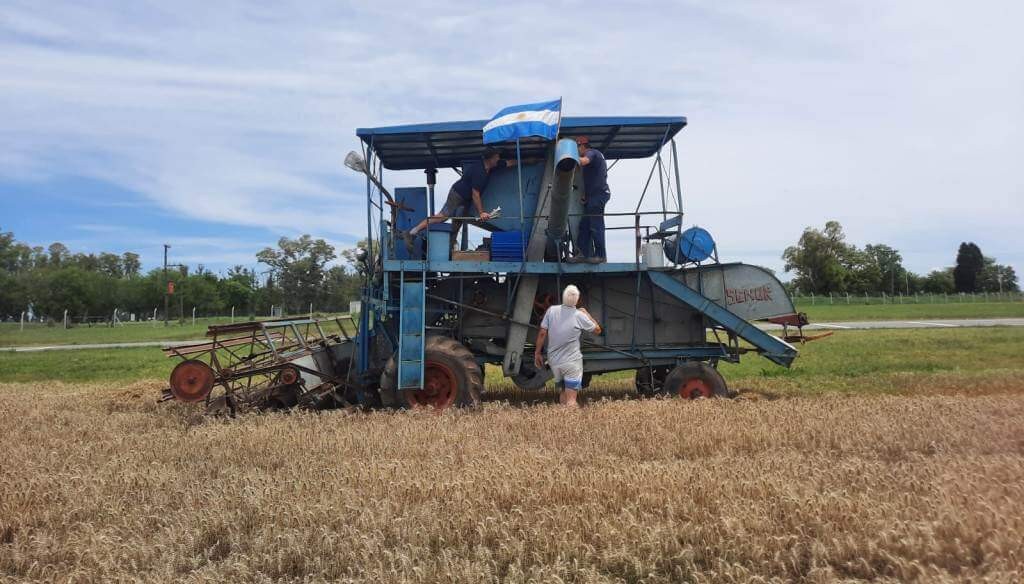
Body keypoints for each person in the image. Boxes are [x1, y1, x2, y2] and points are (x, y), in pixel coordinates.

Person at [404, 147, 524, 252]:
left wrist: (527, 161)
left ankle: (449, 250)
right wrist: (481, 212)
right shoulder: (479, 171)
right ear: (490, 159)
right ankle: (412, 232)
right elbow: (475, 194)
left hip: (466, 199)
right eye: (497, 156)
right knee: (442, 216)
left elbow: (509, 163)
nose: (499, 158)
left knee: (457, 224)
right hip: (457, 194)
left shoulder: (493, 166)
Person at [533, 284, 603, 407]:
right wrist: (588, 315)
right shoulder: (578, 314)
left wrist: (537, 353)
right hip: (571, 362)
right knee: (571, 400)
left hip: (555, 362)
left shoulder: (551, 311)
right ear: (577, 300)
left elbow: (542, 333)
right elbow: (597, 330)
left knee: (564, 394)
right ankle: (572, 424)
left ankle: (563, 422)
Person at [573, 136, 611, 263]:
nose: (577, 150)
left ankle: (601, 255)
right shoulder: (592, 155)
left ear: (583, 146)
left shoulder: (592, 153)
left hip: (598, 196)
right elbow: (591, 179)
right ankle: (582, 254)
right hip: (592, 197)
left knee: (596, 225)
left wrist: (569, 156)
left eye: (577, 147)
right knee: (584, 226)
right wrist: (585, 195)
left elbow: (584, 161)